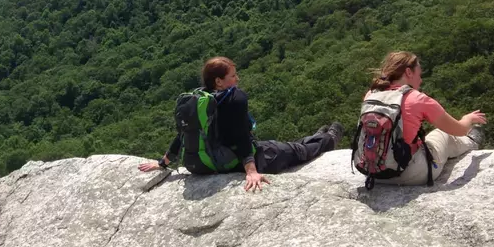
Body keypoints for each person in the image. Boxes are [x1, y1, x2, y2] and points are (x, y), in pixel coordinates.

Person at [138, 56, 343, 192]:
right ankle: (329, 139)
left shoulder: (198, 100)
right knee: (298, 152)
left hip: (203, 163)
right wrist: (251, 171)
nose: (237, 79)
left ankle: (318, 135)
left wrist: (163, 162)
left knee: (285, 145)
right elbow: (241, 137)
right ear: (219, 81)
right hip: (235, 160)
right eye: (233, 76)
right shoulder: (235, 98)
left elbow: (185, 132)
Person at [361, 51, 486, 185]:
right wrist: (468, 119)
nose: (420, 80)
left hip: (373, 172)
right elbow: (459, 129)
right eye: (419, 74)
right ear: (409, 72)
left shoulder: (371, 94)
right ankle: (472, 142)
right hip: (410, 173)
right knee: (442, 134)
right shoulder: (417, 99)